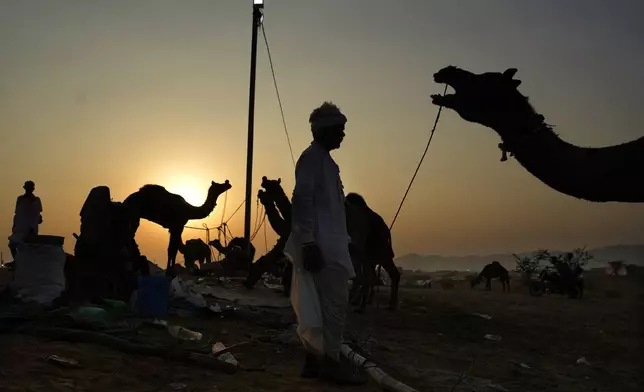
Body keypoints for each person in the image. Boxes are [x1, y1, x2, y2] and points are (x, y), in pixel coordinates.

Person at [288, 101, 367, 385]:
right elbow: (302, 201)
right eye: (340, 129)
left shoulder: (327, 163)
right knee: (334, 307)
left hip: (330, 246)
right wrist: (308, 243)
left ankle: (313, 362)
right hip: (319, 248)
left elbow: (331, 212)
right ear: (326, 130)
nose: (343, 134)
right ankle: (332, 363)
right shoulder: (311, 159)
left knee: (321, 307)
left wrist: (346, 242)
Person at [8, 181, 43, 259]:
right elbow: (17, 214)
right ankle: (17, 261)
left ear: (32, 189)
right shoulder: (20, 199)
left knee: (28, 247)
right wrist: (14, 225)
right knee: (12, 244)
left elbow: (38, 215)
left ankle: (23, 262)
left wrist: (35, 223)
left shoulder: (36, 200)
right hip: (20, 227)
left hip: (31, 229)